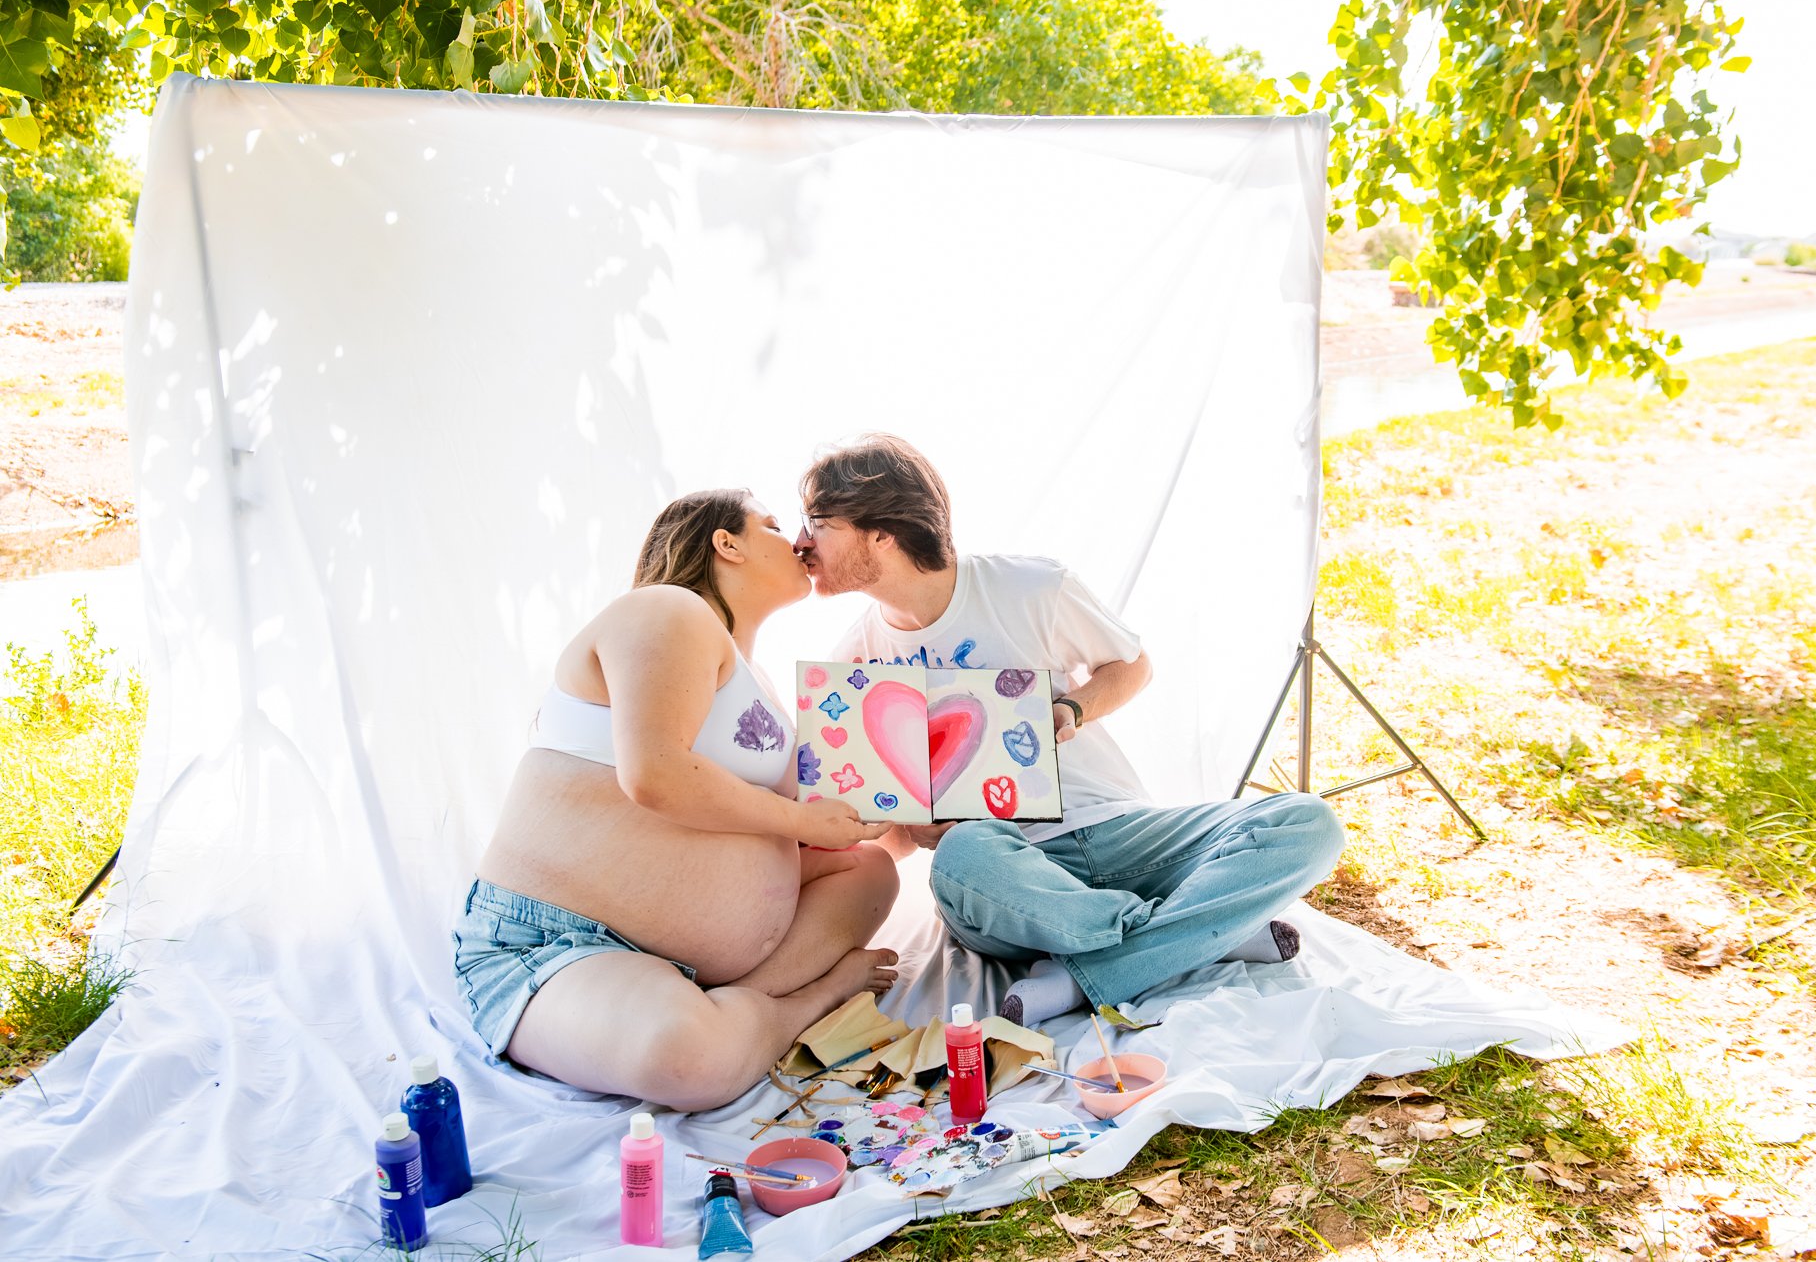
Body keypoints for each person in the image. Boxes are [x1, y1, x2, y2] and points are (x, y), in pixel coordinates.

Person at [793, 435, 1346, 1026]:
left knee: (1308, 824)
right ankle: (1199, 930)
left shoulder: (1031, 587)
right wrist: (912, 823)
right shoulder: (852, 664)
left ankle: (1090, 974)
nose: (800, 542)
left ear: (881, 531)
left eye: (818, 522)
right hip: (1005, 877)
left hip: (1119, 830)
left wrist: (1071, 711)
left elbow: (1132, 665)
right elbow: (887, 836)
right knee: (960, 855)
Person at [454, 490, 901, 1110]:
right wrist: (801, 818)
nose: (796, 540)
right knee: (690, 1061)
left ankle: (730, 1004)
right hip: (559, 943)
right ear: (727, 543)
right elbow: (656, 774)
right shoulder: (668, 611)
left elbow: (812, 830)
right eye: (773, 526)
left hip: (697, 960)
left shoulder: (762, 683)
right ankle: (811, 1000)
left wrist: (912, 820)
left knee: (870, 870)